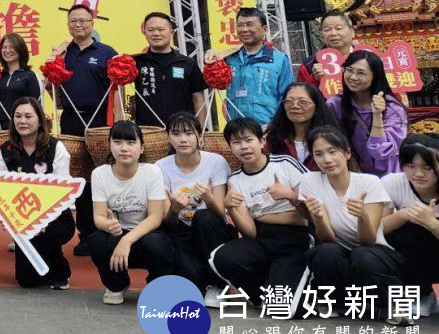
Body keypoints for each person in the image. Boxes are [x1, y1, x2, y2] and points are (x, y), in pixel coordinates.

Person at [298, 127, 409, 322]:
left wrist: (362, 216)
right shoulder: (310, 180)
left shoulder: (369, 182)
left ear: (347, 153)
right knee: (325, 251)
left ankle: (389, 305)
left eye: (333, 152)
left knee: (362, 254)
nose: (327, 159)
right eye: (319, 154)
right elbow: (327, 238)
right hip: (339, 251)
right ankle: (337, 302)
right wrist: (319, 217)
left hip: (375, 252)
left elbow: (368, 240)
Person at [208, 117, 311, 311]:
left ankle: (300, 280)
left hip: (295, 240)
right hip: (262, 239)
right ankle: (260, 296)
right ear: (230, 147)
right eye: (237, 142)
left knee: (284, 310)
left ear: (262, 141)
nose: (244, 147)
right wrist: (230, 207)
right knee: (221, 258)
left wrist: (289, 196)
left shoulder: (285, 163)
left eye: (248, 140)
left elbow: (309, 216)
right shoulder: (235, 180)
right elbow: (252, 232)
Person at [53, 4, 118, 255]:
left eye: (83, 21)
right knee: (80, 178)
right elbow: (52, 86)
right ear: (68, 25)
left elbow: (118, 90)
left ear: (92, 23)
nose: (78, 25)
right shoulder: (62, 54)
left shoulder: (106, 52)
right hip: (71, 120)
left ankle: (108, 229)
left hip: (101, 120)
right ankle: (86, 234)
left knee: (102, 176)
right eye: (73, 21)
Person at [88, 121, 174, 304]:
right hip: (117, 234)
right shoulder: (99, 174)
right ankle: (117, 285)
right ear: (109, 144)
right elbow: (98, 217)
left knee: (156, 243)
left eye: (130, 142)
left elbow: (156, 217)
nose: (124, 148)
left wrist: (127, 240)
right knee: (97, 240)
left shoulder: (152, 172)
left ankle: (157, 288)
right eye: (118, 142)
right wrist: (107, 224)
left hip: (146, 234)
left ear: (142, 148)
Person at [0, 96, 75, 290]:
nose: (22, 121)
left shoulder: (56, 148)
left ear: (40, 120)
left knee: (47, 233)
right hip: (23, 218)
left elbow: (62, 192)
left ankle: (60, 271)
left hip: (55, 217)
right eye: (18, 116)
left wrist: (41, 219)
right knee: (26, 280)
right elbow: (3, 191)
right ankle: (41, 262)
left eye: (28, 116)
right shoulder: (5, 151)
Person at [155, 112, 233, 303]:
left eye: (189, 133)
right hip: (180, 231)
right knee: (191, 277)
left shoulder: (216, 162)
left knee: (204, 216)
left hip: (211, 229)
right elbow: (167, 221)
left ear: (199, 136)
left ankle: (218, 286)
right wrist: (174, 208)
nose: (183, 139)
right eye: (176, 134)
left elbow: (220, 213)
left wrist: (209, 198)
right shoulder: (160, 167)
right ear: (168, 137)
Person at [381, 135, 439, 316]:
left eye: (428, 167)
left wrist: (431, 223)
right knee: (407, 234)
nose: (419, 174)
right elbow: (377, 228)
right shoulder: (392, 183)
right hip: (408, 257)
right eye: (411, 166)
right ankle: (420, 295)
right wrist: (404, 214)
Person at [326, 49, 407, 176]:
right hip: (354, 177)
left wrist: (377, 116)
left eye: (361, 73)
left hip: (390, 176)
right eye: (349, 70)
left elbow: (380, 151)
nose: (353, 77)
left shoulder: (393, 108)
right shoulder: (334, 105)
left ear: (375, 76)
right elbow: (330, 143)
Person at [214, 8, 294, 125]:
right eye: (240, 25)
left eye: (250, 25)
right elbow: (212, 81)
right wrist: (210, 58)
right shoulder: (229, 58)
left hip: (267, 129)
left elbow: (286, 96)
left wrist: (275, 126)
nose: (245, 29)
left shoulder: (279, 59)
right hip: (236, 129)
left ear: (264, 29)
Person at [131, 12, 206, 128]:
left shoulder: (187, 63)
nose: (156, 34)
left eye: (161, 29)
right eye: (151, 30)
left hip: (182, 131)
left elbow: (198, 99)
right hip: (148, 132)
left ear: (171, 33)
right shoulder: (136, 62)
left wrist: (201, 129)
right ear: (145, 33)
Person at [265, 82, 337, 169]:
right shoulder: (272, 138)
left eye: (303, 102)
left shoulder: (332, 139)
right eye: (289, 101)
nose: (295, 106)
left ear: (316, 107)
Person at [0, 32, 42, 132]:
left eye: (11, 47)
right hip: (0, 130)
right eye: (4, 47)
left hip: (23, 128)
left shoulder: (29, 75)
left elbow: (36, 106)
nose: (7, 51)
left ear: (20, 50)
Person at [297, 10, 358, 86]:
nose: (333, 33)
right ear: (322, 35)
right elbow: (302, 94)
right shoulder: (309, 64)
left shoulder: (367, 57)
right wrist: (315, 79)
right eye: (327, 30)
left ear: (352, 32)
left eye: (338, 28)